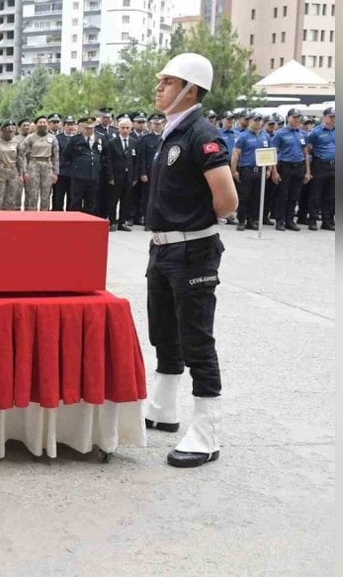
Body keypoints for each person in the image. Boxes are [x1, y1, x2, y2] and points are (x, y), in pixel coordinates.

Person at [142, 52, 238, 469]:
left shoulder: (202, 135)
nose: (159, 88)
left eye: (167, 82)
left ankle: (206, 431)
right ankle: (163, 407)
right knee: (164, 331)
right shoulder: (171, 133)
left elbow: (228, 200)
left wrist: (193, 227)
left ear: (190, 89)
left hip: (191, 250)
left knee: (197, 339)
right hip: (163, 248)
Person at [304, 107, 336, 230]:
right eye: (331, 116)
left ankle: (327, 220)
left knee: (330, 195)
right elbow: (307, 150)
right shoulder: (316, 132)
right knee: (316, 194)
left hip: (334, 165)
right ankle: (312, 219)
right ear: (324, 117)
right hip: (320, 164)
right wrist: (309, 170)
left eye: (335, 117)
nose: (333, 119)